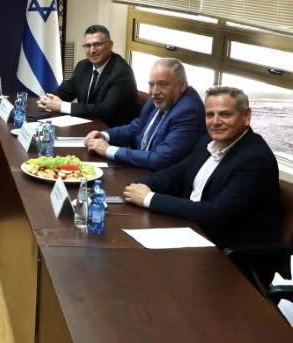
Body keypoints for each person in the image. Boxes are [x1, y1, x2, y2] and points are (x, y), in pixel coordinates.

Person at [123, 86, 281, 284]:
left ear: (246, 116)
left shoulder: (255, 159)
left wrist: (148, 198)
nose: (215, 122)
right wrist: (137, 186)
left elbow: (215, 212)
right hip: (190, 232)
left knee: (147, 278)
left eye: (225, 114)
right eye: (210, 115)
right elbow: (177, 172)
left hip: (228, 257)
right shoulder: (208, 140)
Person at [83, 58, 206, 170]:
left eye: (162, 84)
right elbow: (136, 127)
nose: (154, 92)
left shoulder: (189, 112)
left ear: (182, 85)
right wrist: (105, 136)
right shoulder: (160, 99)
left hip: (159, 180)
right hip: (138, 167)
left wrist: (108, 150)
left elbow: (160, 159)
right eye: (151, 84)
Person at [37, 24, 140, 126]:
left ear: (110, 45)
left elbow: (105, 111)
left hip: (111, 133)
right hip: (86, 127)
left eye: (97, 45)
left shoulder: (121, 73)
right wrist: (47, 101)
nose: (92, 51)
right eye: (87, 46)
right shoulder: (83, 66)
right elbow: (65, 91)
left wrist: (62, 106)